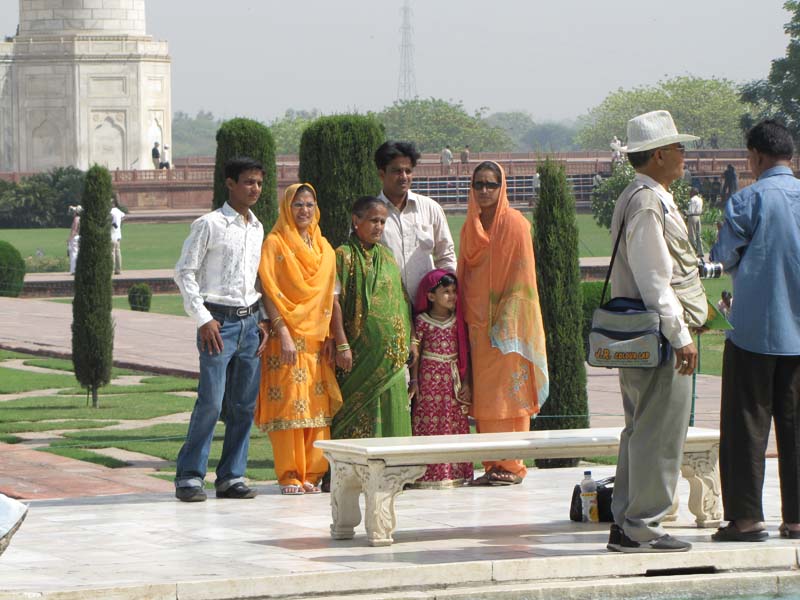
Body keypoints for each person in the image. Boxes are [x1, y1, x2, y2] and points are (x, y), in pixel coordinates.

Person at [606, 110, 707, 553]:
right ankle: (643, 524)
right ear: (660, 154)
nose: (684, 155)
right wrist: (680, 334)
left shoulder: (644, 195)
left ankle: (628, 522)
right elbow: (654, 278)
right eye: (679, 148)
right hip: (660, 335)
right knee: (659, 432)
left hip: (651, 333)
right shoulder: (647, 201)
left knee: (641, 429)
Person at [710, 120, 800, 542]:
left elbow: (724, 257)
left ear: (757, 157)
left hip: (755, 332)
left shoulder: (747, 201)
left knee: (746, 425)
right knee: (797, 427)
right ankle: (797, 518)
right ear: (790, 157)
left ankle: (746, 518)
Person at [173, 156, 268, 502]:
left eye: (258, 182)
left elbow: (260, 279)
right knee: (211, 402)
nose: (254, 189)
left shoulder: (257, 228)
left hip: (249, 322)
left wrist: (265, 319)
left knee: (243, 405)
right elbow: (185, 272)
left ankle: (231, 476)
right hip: (218, 322)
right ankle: (189, 476)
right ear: (230, 183)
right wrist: (202, 318)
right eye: (248, 182)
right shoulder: (209, 224)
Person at [458, 161, 549, 486]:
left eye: (490, 185)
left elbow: (523, 279)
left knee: (508, 398)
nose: (484, 191)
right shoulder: (470, 227)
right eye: (478, 184)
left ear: (502, 187)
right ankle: (492, 464)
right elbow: (464, 277)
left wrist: (505, 323)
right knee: (484, 399)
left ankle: (511, 465)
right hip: (476, 327)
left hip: (508, 332)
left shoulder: (515, 224)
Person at [256, 183, 342, 496]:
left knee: (317, 406)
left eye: (309, 204)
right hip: (286, 340)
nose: (303, 210)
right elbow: (268, 290)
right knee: (290, 406)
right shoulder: (275, 243)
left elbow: (331, 298)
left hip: (317, 341)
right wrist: (282, 331)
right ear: (286, 208)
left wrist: (333, 335)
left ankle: (314, 472)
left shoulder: (324, 248)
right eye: (297, 204)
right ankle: (289, 473)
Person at [329, 196, 412, 441]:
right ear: (356, 220)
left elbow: (402, 300)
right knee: (355, 413)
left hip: (392, 357)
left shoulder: (386, 257)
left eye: (383, 222)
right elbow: (333, 302)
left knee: (393, 411)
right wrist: (342, 343)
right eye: (373, 220)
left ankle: (395, 473)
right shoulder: (342, 256)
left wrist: (412, 339)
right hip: (358, 356)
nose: (378, 227)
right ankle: (352, 474)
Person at [409, 269, 473, 488]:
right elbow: (416, 355)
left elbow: (466, 353)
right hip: (429, 382)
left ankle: (455, 473)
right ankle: (428, 476)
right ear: (430, 296)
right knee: (429, 424)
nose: (452, 296)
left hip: (452, 382)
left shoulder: (458, 322)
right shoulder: (422, 322)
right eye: (446, 291)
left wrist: (466, 383)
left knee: (452, 423)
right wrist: (415, 381)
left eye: (454, 291)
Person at [375, 141, 457, 300]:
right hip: (387, 309)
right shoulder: (369, 214)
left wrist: (448, 298)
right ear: (381, 174)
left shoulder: (430, 209)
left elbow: (446, 256)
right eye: (397, 171)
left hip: (427, 308)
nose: (404, 177)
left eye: (408, 170)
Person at [686, 187, 704, 258]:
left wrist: (686, 213)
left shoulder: (692, 199)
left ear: (693, 193)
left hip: (692, 216)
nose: (689, 193)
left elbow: (691, 211)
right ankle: (700, 251)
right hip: (698, 217)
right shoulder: (700, 199)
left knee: (692, 235)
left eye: (690, 192)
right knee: (698, 234)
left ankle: (693, 251)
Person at [110, 195, 125, 275]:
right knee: (118, 251)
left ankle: (111, 269)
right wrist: (120, 225)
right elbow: (123, 217)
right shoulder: (118, 211)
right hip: (118, 234)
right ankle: (118, 269)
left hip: (112, 234)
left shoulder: (110, 212)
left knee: (112, 252)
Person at [67, 205, 81, 275]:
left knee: (73, 254)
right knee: (76, 253)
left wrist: (69, 238)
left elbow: (74, 230)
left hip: (75, 237)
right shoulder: (80, 218)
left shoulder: (76, 219)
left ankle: (74, 270)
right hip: (78, 237)